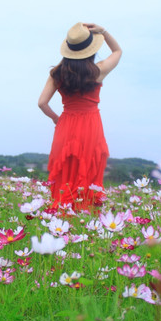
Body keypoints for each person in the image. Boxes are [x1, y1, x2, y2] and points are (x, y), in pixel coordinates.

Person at [38, 22, 122, 212]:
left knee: (65, 174)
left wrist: (55, 119)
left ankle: (61, 215)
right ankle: (86, 216)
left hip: (66, 124)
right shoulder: (98, 71)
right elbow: (117, 51)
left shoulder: (57, 74)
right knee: (89, 171)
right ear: (91, 50)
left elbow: (42, 103)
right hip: (90, 126)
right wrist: (104, 31)